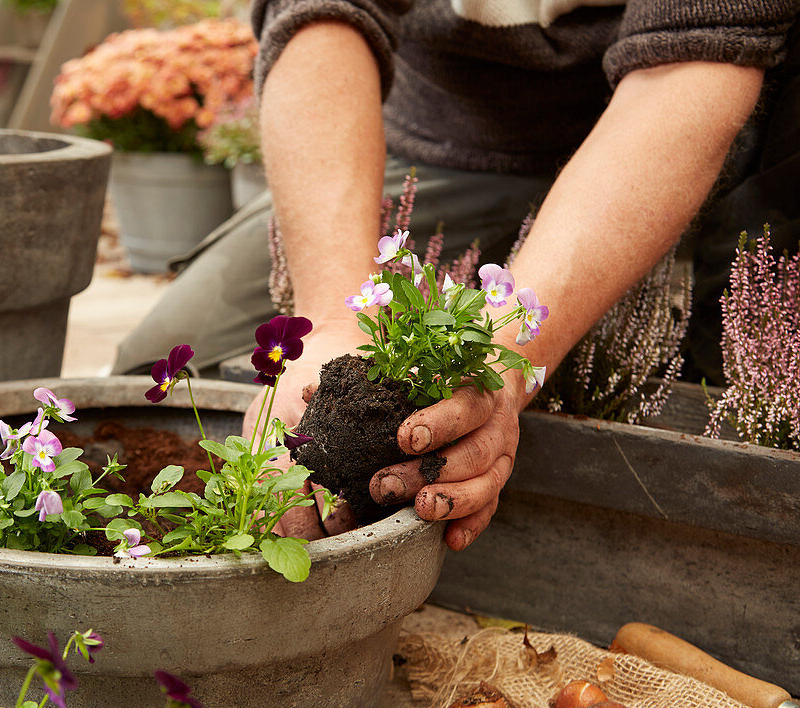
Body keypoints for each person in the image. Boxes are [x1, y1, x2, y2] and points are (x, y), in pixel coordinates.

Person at [114, 1, 800, 548]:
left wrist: (503, 359)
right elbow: (318, 13)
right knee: (154, 382)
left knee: (742, 431)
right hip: (458, 128)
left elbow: (699, 46)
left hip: (693, 119)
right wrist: (334, 315)